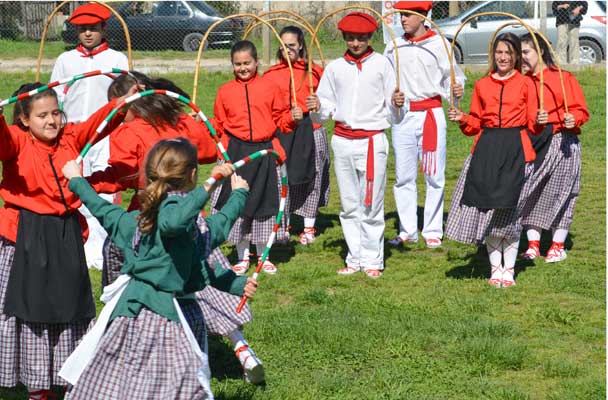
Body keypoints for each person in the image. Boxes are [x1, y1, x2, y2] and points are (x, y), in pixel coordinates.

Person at [87, 72, 266, 384]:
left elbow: (121, 174)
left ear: (125, 106)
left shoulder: (128, 132)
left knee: (125, 275)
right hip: (192, 217)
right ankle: (242, 349)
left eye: (116, 110)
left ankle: (121, 350)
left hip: (149, 221)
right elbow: (210, 150)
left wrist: (86, 182)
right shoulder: (180, 122)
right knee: (205, 278)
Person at [61, 138, 257, 399]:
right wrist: (222, 188)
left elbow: (200, 270)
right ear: (193, 175)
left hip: (131, 314)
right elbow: (178, 223)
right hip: (165, 319)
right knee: (171, 387)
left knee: (126, 383)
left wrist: (76, 179)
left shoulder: (135, 221)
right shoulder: (184, 226)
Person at [0, 83, 131, 399]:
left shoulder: (70, 137)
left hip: (65, 236)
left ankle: (67, 375)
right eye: (42, 115)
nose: (51, 121)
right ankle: (36, 385)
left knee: (69, 305)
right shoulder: (17, 141)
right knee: (30, 310)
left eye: (55, 113)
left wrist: (121, 103)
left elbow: (99, 124)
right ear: (24, 120)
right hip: (24, 236)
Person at [306, 12, 405, 278]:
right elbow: (325, 104)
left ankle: (373, 258)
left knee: (371, 201)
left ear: (370, 37)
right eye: (350, 38)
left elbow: (393, 107)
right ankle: (355, 256)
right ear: (344, 38)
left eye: (361, 38)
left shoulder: (382, 64)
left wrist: (397, 105)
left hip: (372, 140)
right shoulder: (335, 67)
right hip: (343, 140)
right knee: (349, 203)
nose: (355, 43)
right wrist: (318, 107)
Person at [445, 32, 545, 288]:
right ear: (494, 55)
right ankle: (495, 269)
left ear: (515, 57)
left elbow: (533, 127)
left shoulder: (526, 84)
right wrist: (463, 118)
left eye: (508, 53)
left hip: (516, 149)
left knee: (510, 212)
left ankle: (509, 269)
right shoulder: (482, 85)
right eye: (499, 52)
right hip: (487, 148)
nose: (503, 57)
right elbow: (475, 123)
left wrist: (539, 120)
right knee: (488, 208)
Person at [210, 40, 303, 276]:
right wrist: (204, 125)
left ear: (256, 62)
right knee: (239, 204)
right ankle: (242, 255)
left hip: (265, 151)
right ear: (232, 65)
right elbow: (219, 124)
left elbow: (281, 120)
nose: (243, 68)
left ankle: (264, 255)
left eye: (247, 63)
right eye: (238, 64)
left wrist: (292, 118)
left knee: (265, 204)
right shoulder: (225, 91)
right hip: (237, 152)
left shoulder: (269, 87)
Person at [50, 2, 129, 271]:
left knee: (104, 187)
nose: (87, 34)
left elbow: (124, 96)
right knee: (76, 183)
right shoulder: (66, 60)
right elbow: (56, 96)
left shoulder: (117, 60)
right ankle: (82, 243)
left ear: (104, 28)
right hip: (73, 134)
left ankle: (102, 244)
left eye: (93, 29)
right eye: (82, 29)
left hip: (106, 134)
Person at [384, 1, 465, 248]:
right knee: (403, 175)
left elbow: (454, 76)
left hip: (430, 114)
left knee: (434, 174)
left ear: (422, 16)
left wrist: (456, 89)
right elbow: (386, 82)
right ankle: (407, 229)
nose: (403, 20)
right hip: (403, 116)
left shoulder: (439, 44)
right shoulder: (393, 46)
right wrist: (392, 98)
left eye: (408, 15)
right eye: (400, 16)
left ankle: (432, 228)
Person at [519, 32, 589, 262]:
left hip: (562, 142)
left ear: (540, 52)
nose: (522, 58)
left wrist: (573, 119)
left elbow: (580, 109)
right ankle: (533, 244)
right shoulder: (521, 82)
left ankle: (557, 245)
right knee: (531, 191)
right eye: (519, 54)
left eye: (526, 52)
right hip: (534, 142)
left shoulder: (563, 78)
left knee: (563, 192)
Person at [263, 26, 330, 245]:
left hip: (312, 130)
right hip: (284, 131)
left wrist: (318, 104)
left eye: (292, 45)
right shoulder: (271, 76)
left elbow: (329, 105)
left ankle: (309, 226)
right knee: (283, 178)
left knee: (314, 175)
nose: (288, 49)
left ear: (300, 45)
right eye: (283, 46)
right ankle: (284, 224)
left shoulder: (316, 72)